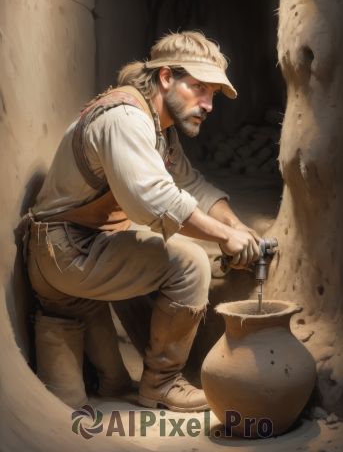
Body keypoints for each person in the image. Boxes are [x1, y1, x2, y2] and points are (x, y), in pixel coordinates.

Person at [26, 31, 260, 412]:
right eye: (198, 88)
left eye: (213, 94)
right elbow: (154, 201)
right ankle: (162, 383)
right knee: (190, 263)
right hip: (65, 251)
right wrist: (221, 238)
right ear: (166, 77)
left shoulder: (159, 126)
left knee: (114, 384)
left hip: (81, 249)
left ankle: (106, 358)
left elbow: (191, 185)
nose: (208, 104)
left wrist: (235, 226)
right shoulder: (125, 118)